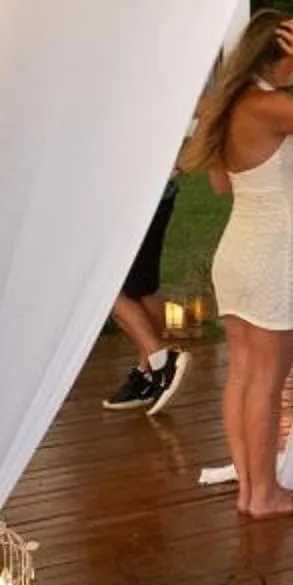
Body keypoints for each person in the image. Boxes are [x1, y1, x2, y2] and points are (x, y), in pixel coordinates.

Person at [185, 12, 293, 518]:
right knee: (267, 380)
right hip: (273, 253)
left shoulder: (229, 105)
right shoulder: (270, 105)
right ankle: (264, 494)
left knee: (243, 375)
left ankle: (251, 489)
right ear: (276, 55)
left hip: (237, 250)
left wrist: (289, 170)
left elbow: (224, 183)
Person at [102, 175, 186, 414]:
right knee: (142, 285)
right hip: (150, 188)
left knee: (102, 287)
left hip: (129, 191)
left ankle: (161, 361)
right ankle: (149, 374)